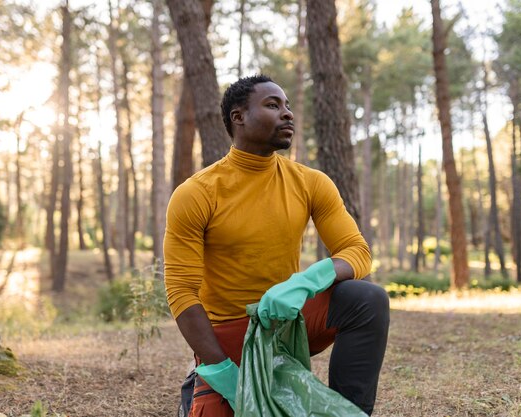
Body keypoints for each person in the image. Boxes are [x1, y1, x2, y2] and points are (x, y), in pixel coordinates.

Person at [164, 74, 389, 416]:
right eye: (273, 105)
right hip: (227, 338)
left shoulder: (311, 182)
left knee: (366, 298)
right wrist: (222, 371)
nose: (288, 114)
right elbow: (182, 293)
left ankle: (351, 412)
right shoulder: (197, 193)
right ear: (238, 117)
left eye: (287, 106)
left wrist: (306, 281)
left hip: (286, 324)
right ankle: (200, 383)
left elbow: (357, 253)